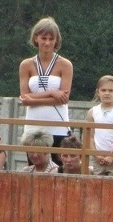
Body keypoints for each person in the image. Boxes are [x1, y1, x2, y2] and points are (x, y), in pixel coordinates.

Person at [19, 17, 73, 167]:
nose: (47, 42)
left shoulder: (65, 64)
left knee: (59, 170)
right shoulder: (26, 64)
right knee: (34, 168)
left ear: (56, 40)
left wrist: (34, 99)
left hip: (58, 126)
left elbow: (64, 98)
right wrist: (52, 93)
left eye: (51, 38)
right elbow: (24, 97)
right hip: (33, 127)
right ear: (36, 38)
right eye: (44, 38)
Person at [85, 75, 113, 176]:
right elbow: (90, 136)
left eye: (111, 90)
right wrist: (96, 155)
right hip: (97, 157)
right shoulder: (92, 112)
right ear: (98, 92)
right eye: (104, 90)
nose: (107, 93)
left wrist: (112, 155)